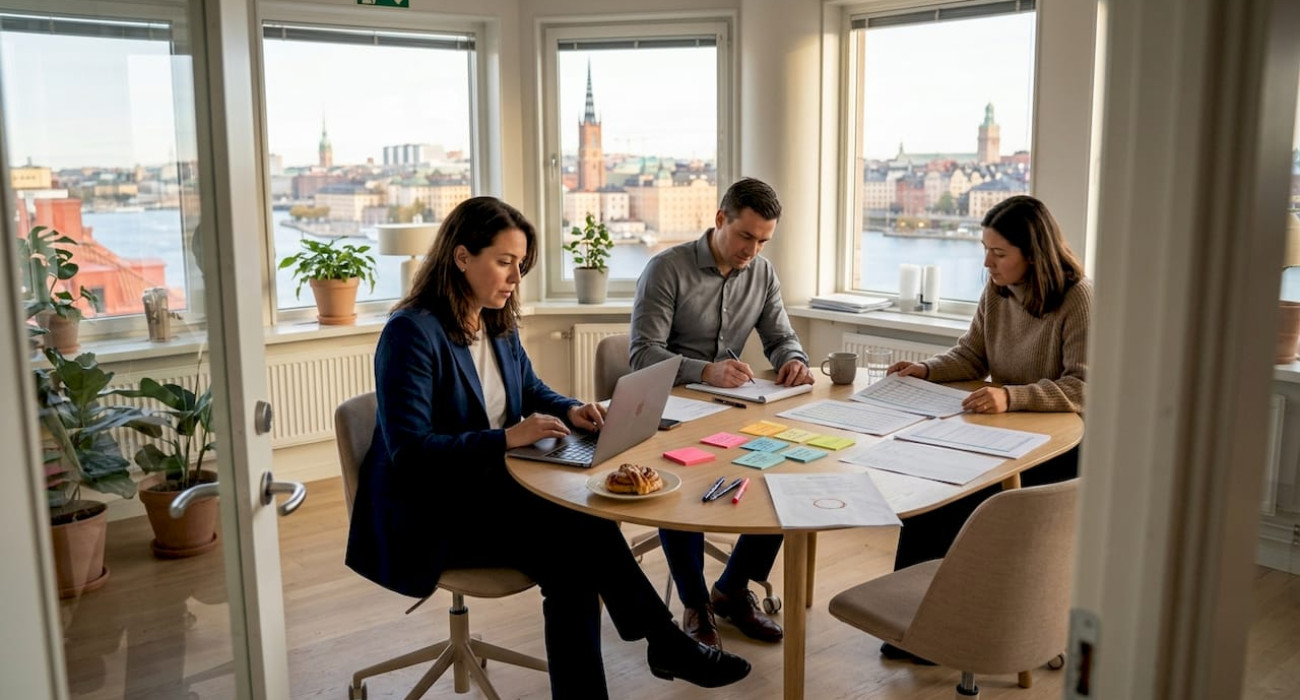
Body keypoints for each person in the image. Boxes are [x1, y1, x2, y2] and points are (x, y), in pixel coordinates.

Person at [346, 196, 751, 698]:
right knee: (578, 533)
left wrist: (571, 409)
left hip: (492, 486)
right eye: (504, 262)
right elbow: (409, 453)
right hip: (430, 507)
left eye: (520, 265)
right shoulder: (411, 332)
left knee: (574, 558)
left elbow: (531, 390)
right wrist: (507, 438)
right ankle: (664, 642)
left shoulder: (495, 319)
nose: (515, 278)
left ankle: (659, 646)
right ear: (461, 257)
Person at [881, 194, 1090, 662]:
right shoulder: (997, 292)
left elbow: (1083, 385)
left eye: (998, 253)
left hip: (1061, 444)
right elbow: (971, 355)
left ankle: (963, 623)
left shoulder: (1077, 298)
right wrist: (927, 370)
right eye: (985, 249)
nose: (987, 262)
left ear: (1032, 255)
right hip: (1003, 432)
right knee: (929, 499)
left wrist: (1011, 395)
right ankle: (914, 626)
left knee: (973, 509)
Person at [629, 177, 813, 649]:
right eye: (745, 236)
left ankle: (732, 589)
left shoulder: (763, 274)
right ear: (719, 220)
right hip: (669, 408)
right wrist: (705, 371)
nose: (752, 250)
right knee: (678, 491)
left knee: (785, 474)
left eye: (763, 240)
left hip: (733, 409)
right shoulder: (666, 269)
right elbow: (642, 355)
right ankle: (695, 603)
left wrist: (794, 360)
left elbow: (780, 337)